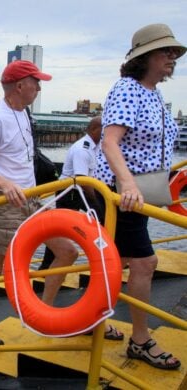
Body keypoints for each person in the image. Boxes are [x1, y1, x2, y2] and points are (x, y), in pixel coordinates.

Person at [0, 60, 78, 345]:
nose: (39, 87)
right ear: (19, 85)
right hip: (4, 201)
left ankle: (44, 314)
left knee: (67, 252)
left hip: (31, 198)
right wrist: (4, 184)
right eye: (36, 81)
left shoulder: (24, 113)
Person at [94, 23, 184, 370]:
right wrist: (128, 183)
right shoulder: (128, 89)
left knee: (121, 262)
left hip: (142, 193)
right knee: (145, 263)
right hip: (123, 196)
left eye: (175, 52)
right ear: (145, 56)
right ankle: (141, 341)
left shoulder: (155, 94)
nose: (172, 58)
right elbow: (110, 141)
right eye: (166, 52)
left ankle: (97, 320)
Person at [39, 116, 104, 270]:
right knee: (100, 217)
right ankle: (47, 265)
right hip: (72, 191)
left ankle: (47, 265)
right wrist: (98, 200)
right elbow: (82, 179)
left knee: (63, 228)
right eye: (105, 128)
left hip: (78, 190)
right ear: (95, 129)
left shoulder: (96, 147)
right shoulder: (83, 149)